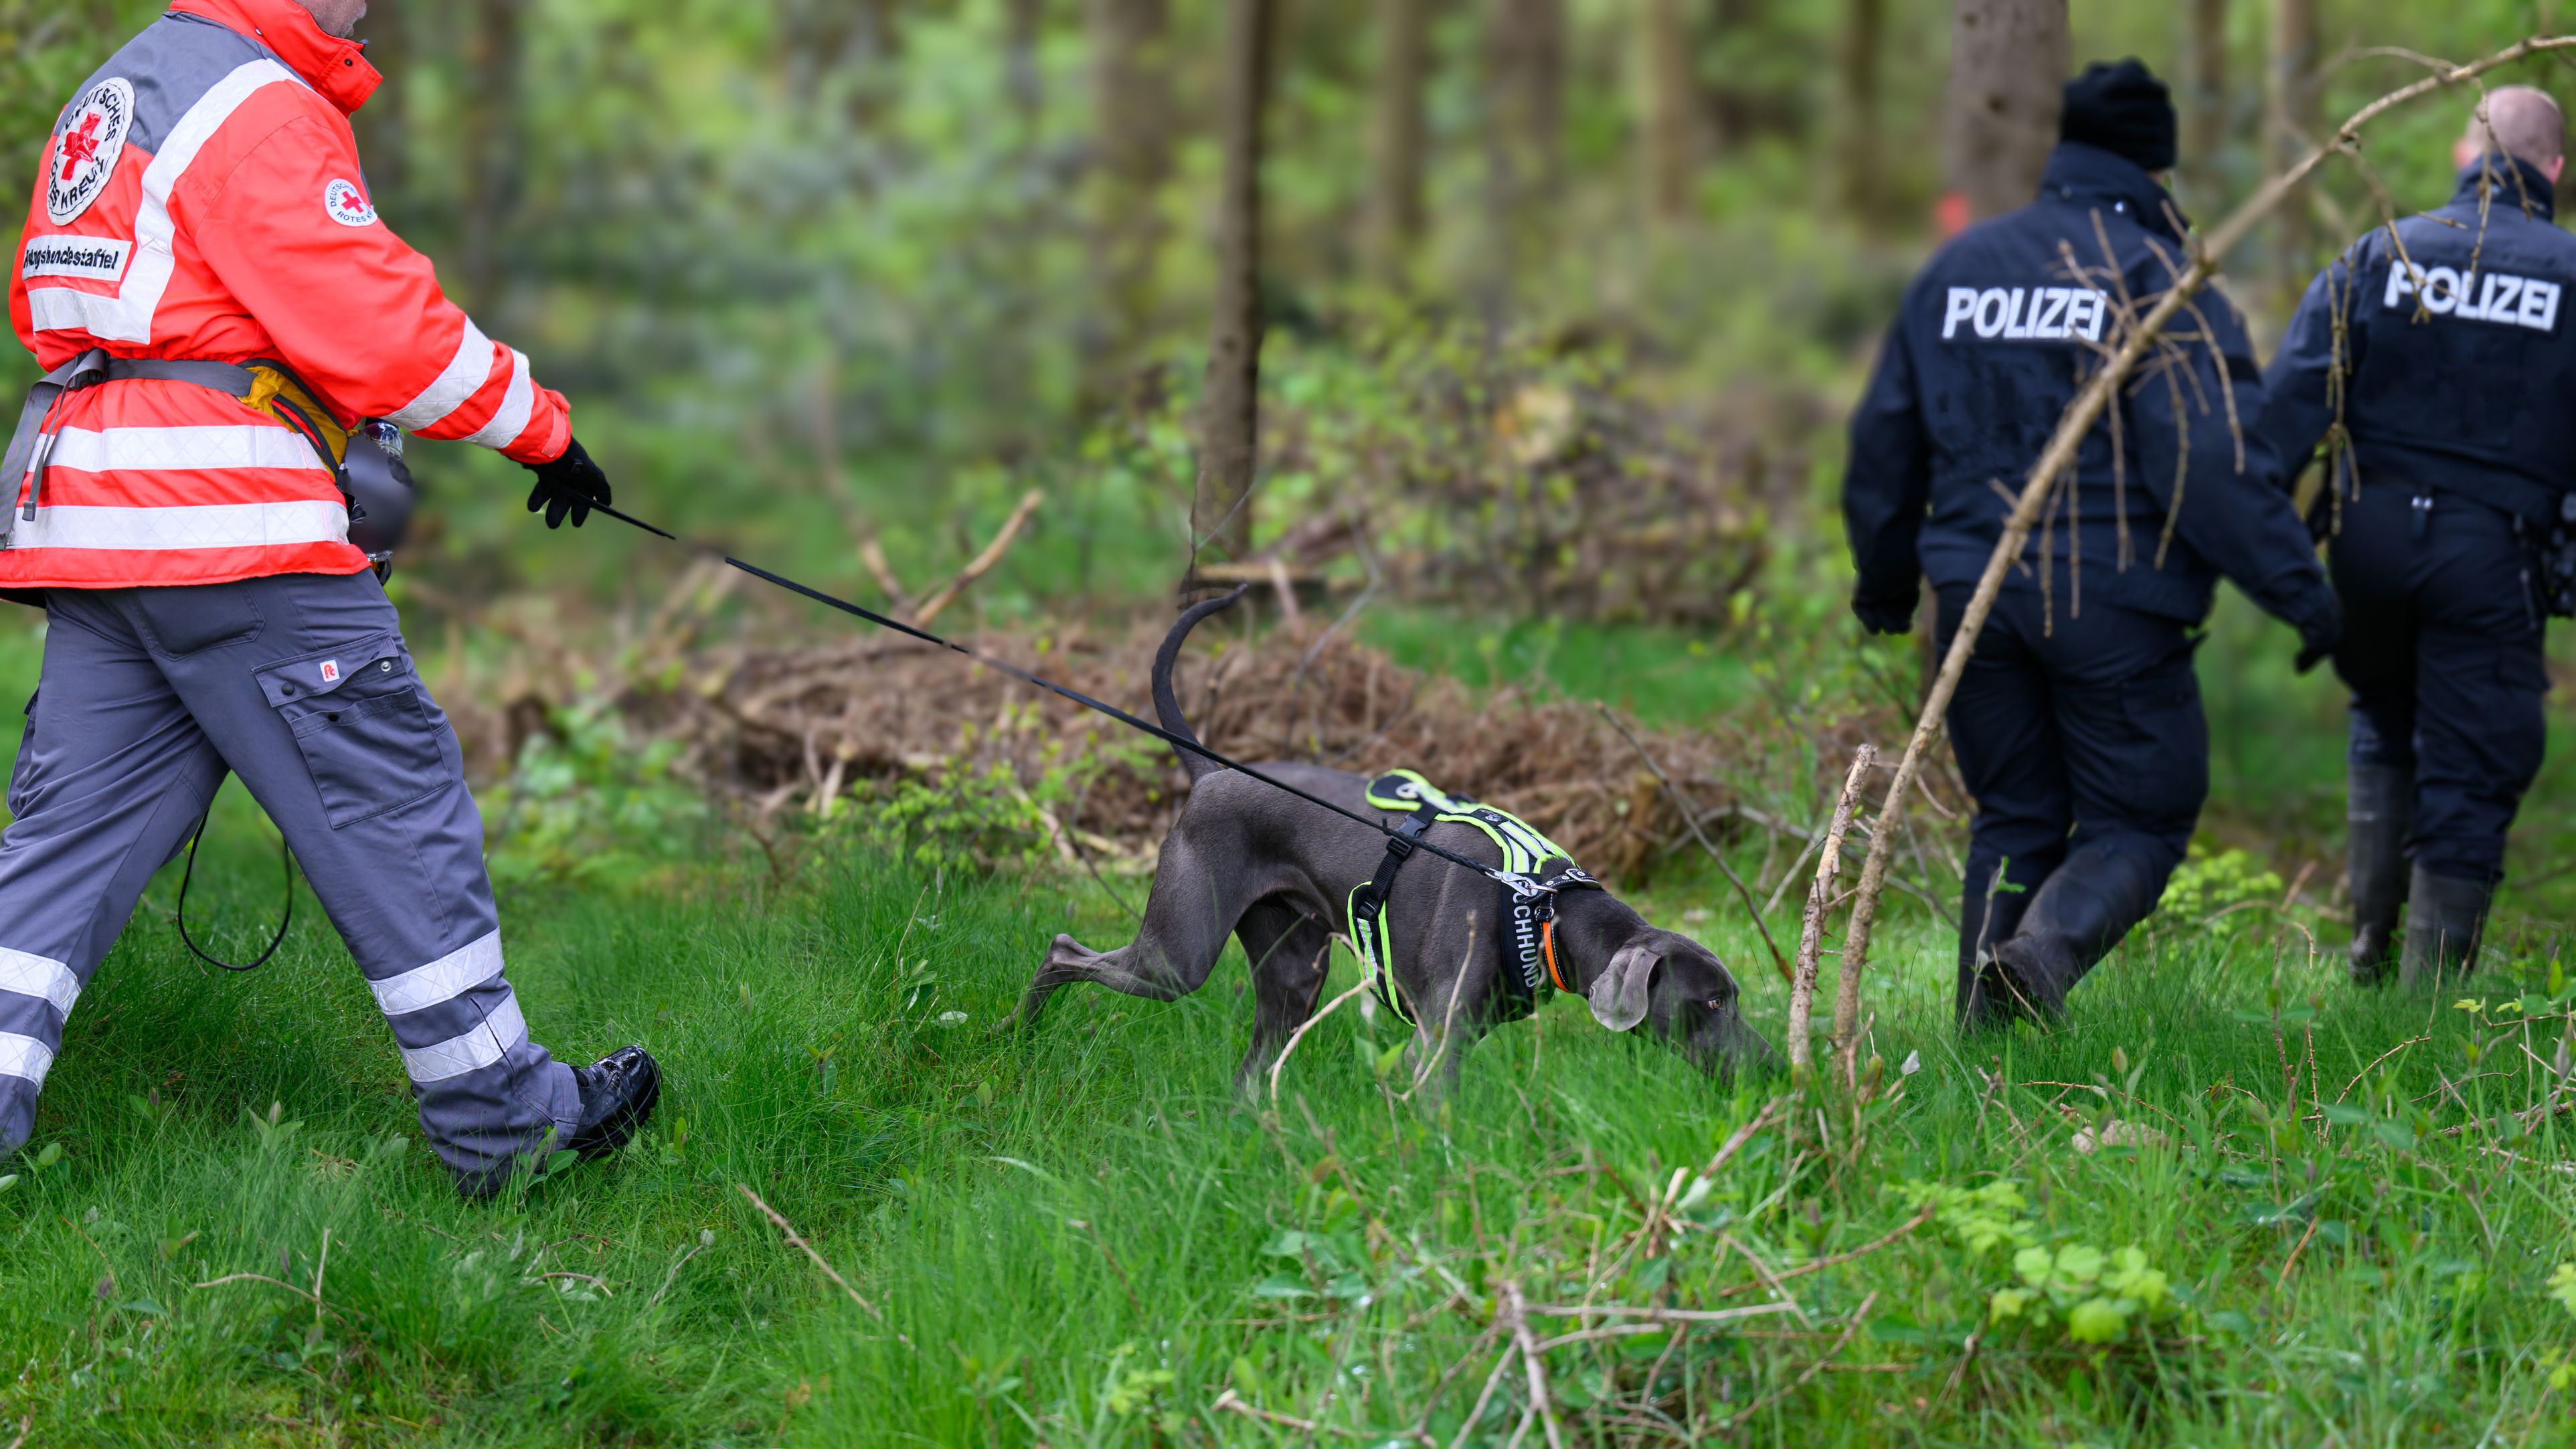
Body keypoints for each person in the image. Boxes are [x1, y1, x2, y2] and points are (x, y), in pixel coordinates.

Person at [0, 0, 659, 1195]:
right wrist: (544, 432)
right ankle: (512, 1128)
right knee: (395, 811)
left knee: (56, 855)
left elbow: (56, 310)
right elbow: (380, 325)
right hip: (231, 527)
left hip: (100, 523)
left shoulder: (118, 89)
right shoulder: (253, 104)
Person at [1843, 59, 2341, 1030]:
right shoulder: (2153, 280)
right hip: (2108, 605)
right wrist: (2305, 596)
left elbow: (1882, 443)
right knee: (2139, 820)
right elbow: (2206, 462)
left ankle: (1981, 1048)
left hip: (1971, 601)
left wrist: (1887, 585)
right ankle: (2037, 960)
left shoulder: (1958, 267)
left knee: (2014, 818)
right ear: (2154, 166)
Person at [2262, 88, 2576, 989]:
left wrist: (2262, 562)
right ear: (2553, 170)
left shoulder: (2376, 255)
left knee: (2382, 714)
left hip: (2363, 542)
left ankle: (2369, 946)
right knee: (2471, 763)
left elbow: (2282, 417)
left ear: (2461, 155)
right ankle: (2422, 1010)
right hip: (2491, 552)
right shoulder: (2566, 275)